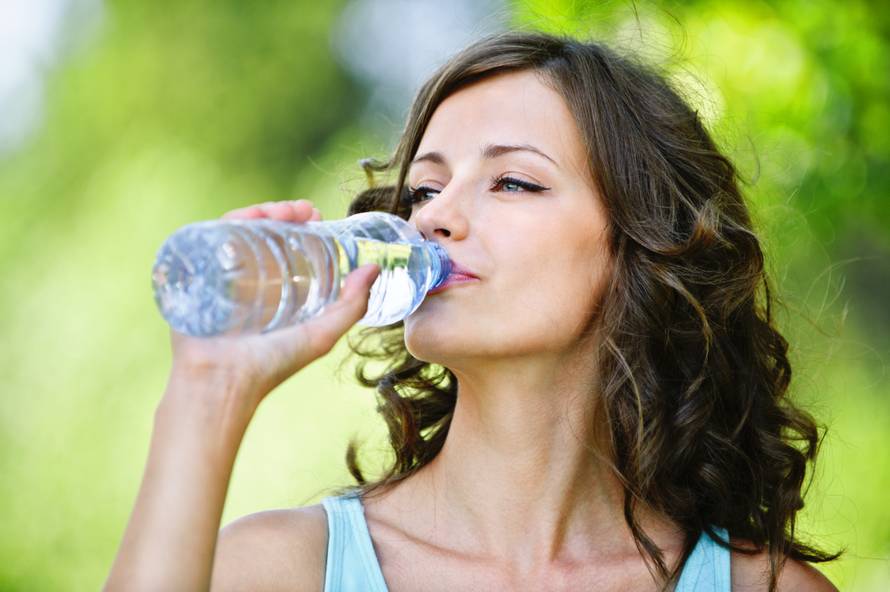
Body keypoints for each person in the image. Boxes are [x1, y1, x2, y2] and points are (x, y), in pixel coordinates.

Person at [105, 31, 840, 591]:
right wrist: (208, 392)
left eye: (513, 182)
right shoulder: (280, 568)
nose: (435, 219)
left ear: (645, 247)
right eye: (425, 189)